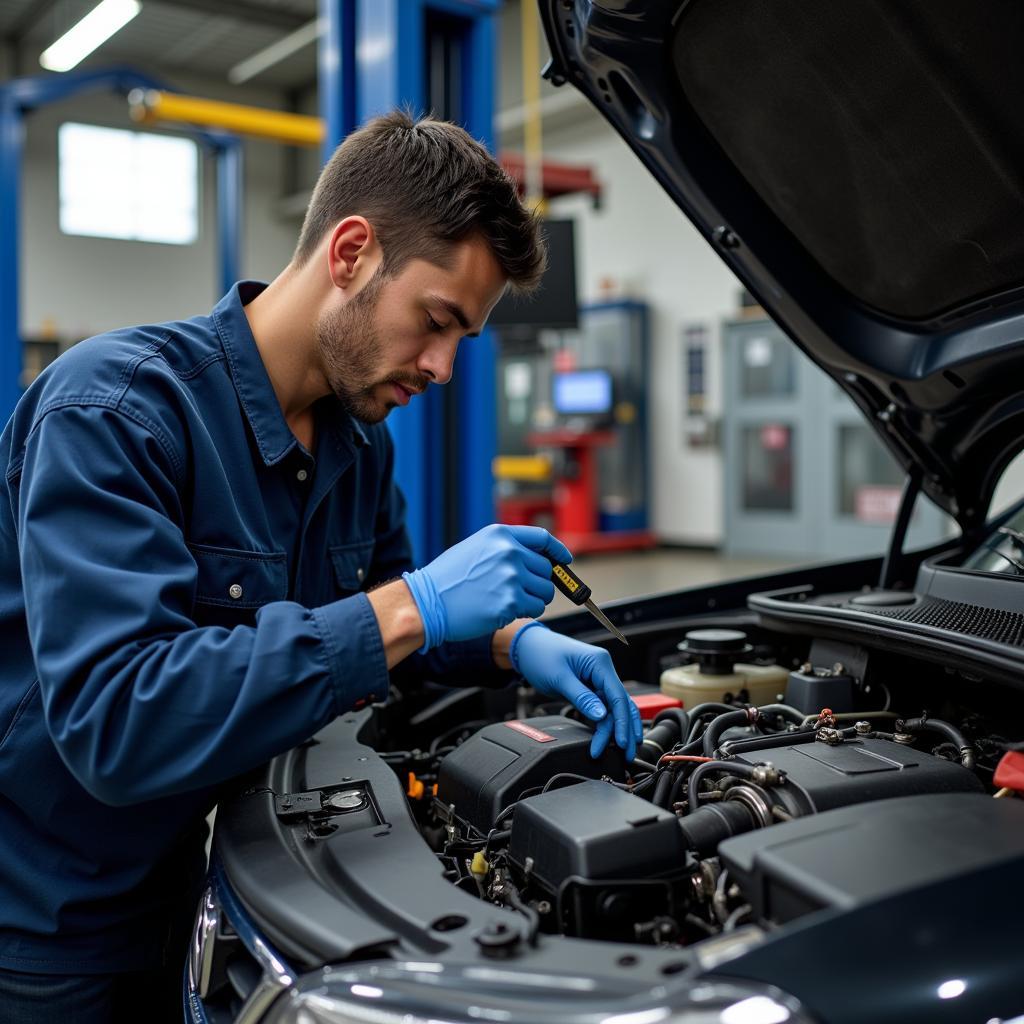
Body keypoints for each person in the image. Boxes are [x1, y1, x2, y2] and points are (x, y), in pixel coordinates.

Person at [0, 110, 642, 1021]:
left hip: (199, 885)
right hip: (50, 926)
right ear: (350, 252)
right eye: (436, 321)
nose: (445, 367)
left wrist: (504, 645)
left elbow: (376, 635)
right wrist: (416, 604)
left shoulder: (358, 445)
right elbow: (118, 719)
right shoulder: (116, 411)